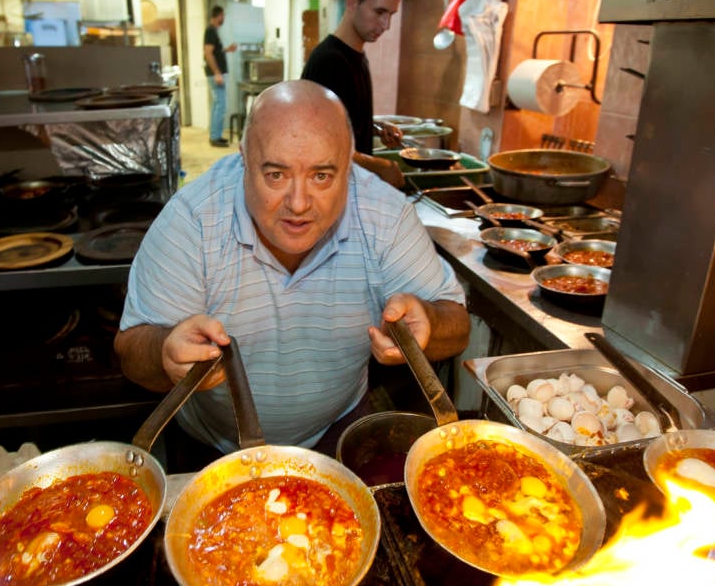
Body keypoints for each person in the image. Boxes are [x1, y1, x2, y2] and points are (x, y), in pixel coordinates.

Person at [114, 80, 470, 467]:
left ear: (349, 164)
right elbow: (131, 353)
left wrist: (429, 323)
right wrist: (166, 352)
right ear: (244, 159)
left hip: (338, 433)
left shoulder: (384, 216)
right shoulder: (192, 222)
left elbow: (458, 327)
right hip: (214, 448)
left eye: (322, 176)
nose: (298, 205)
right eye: (276, 175)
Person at [301, 0, 407, 189]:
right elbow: (320, 147)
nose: (386, 24)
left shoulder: (356, 56)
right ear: (352, 2)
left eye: (391, 14)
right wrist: (381, 166)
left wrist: (375, 128)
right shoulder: (329, 61)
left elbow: (341, 123)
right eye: (379, 12)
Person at [204, 4, 238, 147]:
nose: (223, 18)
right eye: (222, 15)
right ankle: (215, 137)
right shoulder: (211, 31)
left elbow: (215, 52)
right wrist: (217, 73)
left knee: (217, 105)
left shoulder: (213, 31)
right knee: (221, 106)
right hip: (215, 74)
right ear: (218, 16)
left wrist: (225, 50)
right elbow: (208, 53)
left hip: (216, 73)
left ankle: (215, 135)